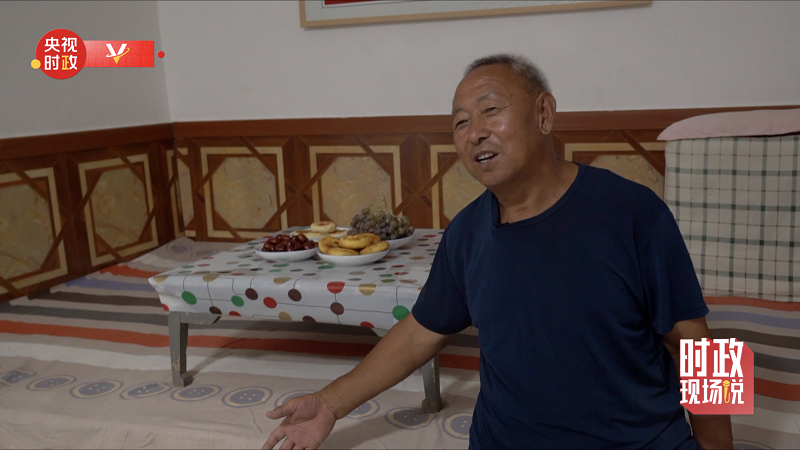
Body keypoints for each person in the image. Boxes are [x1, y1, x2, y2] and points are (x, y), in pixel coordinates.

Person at [263, 54, 734, 450]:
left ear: (544, 114)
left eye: (491, 110)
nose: (474, 133)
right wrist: (330, 402)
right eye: (460, 122)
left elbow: (704, 347)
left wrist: (717, 448)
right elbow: (419, 332)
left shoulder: (632, 211)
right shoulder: (467, 232)